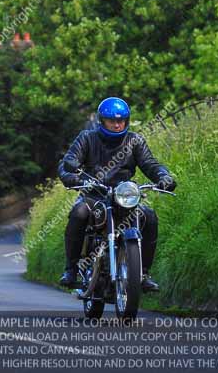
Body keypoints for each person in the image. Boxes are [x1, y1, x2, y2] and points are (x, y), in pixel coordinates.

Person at [57, 97, 176, 292]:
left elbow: (150, 164)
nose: (117, 124)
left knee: (150, 216)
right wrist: (73, 178)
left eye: (121, 120)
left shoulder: (134, 141)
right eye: (112, 120)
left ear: (127, 120)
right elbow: (67, 163)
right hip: (93, 195)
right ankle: (71, 270)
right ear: (102, 121)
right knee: (79, 213)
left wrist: (164, 177)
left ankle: (143, 273)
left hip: (125, 196)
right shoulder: (87, 138)